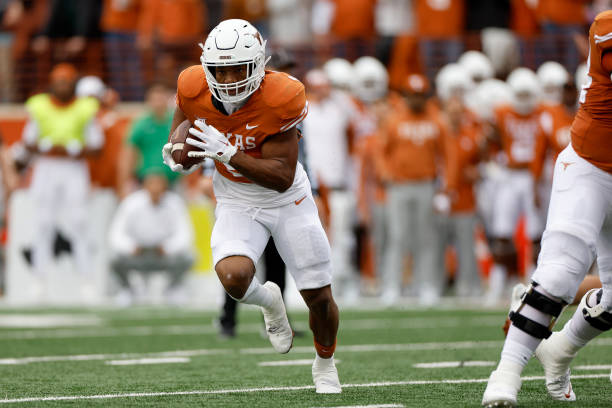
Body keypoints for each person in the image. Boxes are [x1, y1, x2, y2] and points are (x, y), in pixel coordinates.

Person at [162, 19, 341, 393]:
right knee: (233, 277)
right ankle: (269, 300)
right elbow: (184, 130)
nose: (227, 79)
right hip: (237, 198)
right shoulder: (192, 85)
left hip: (288, 198)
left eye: (237, 69)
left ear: (259, 65)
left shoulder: (282, 95)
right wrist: (180, 155)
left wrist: (229, 153)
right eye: (219, 70)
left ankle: (325, 362)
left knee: (319, 297)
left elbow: (280, 175)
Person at [482, 11, 612, 407]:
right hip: (590, 166)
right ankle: (505, 373)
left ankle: (559, 350)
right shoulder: (606, 25)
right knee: (560, 272)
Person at [23, 63, 103, 294]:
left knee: (78, 220)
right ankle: (38, 278)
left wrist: (73, 150)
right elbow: (29, 142)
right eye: (58, 82)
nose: (62, 86)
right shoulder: (39, 107)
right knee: (42, 222)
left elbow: (96, 148)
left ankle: (86, 279)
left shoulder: (85, 108)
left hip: (73, 167)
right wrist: (48, 147)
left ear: (73, 84)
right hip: (46, 166)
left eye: (66, 82)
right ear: (52, 84)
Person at [378, 73, 446, 306]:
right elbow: (380, 150)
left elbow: (448, 153)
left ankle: (426, 284)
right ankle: (392, 286)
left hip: (426, 184)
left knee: (426, 237)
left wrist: (446, 186)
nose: (417, 100)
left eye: (420, 95)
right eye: (413, 95)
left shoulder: (436, 119)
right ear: (405, 96)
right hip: (399, 186)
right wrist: (385, 172)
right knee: (397, 237)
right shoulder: (394, 119)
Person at [108, 171, 194, 305]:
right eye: (152, 184)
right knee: (113, 259)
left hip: (163, 257)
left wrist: (167, 248)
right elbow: (116, 234)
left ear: (165, 187)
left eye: (159, 185)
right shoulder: (131, 203)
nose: (155, 189)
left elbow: (185, 235)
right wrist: (131, 247)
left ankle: (173, 288)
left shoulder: (175, 203)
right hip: (137, 256)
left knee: (189, 257)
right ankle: (127, 290)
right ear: (145, 186)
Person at [118, 83, 177, 196]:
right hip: (145, 183)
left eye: (161, 99)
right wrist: (124, 183)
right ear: (148, 101)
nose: (158, 103)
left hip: (172, 182)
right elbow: (128, 154)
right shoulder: (141, 124)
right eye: (154, 99)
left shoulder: (175, 123)